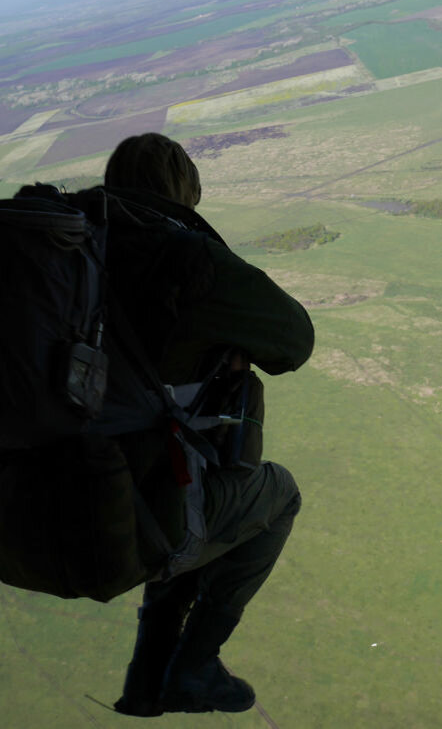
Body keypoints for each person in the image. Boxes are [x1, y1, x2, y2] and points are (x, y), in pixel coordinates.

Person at [101, 133, 314, 716]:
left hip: (42, 506)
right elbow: (294, 340)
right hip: (127, 515)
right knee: (276, 497)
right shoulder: (176, 257)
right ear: (183, 191)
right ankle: (194, 665)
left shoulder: (70, 260)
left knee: (183, 490)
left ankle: (147, 682)